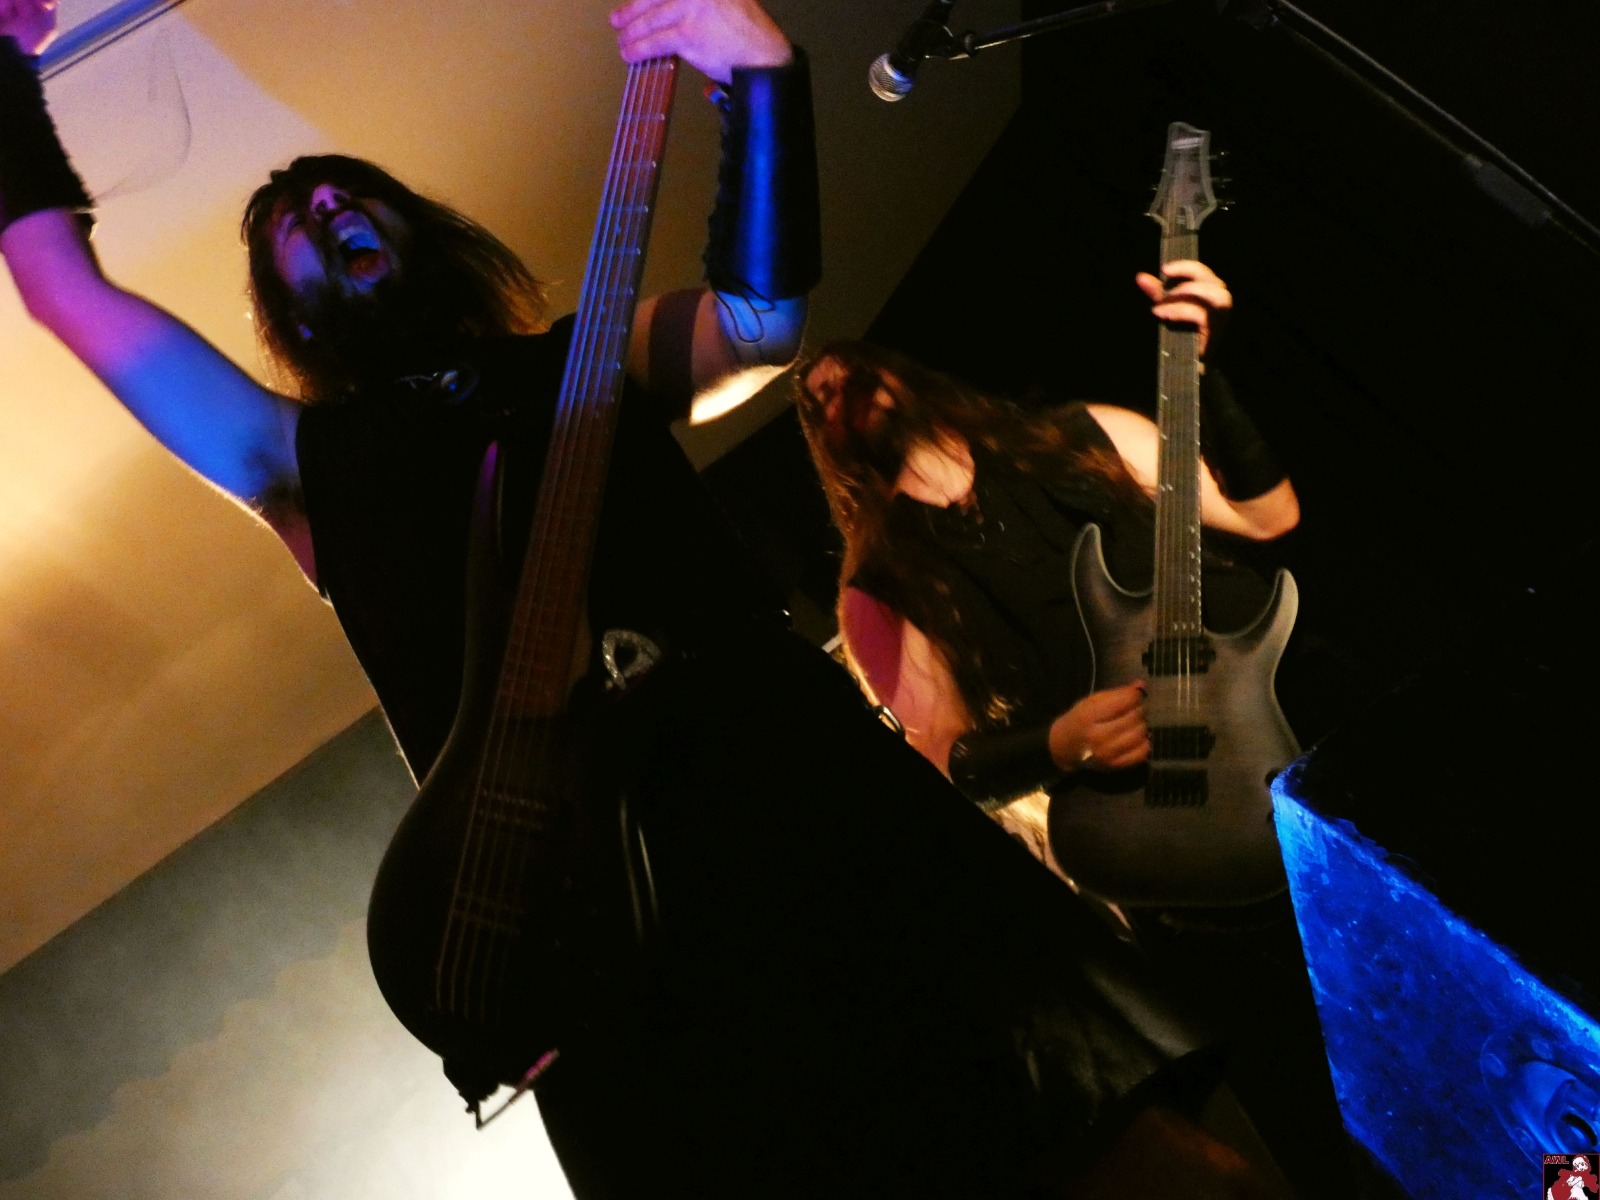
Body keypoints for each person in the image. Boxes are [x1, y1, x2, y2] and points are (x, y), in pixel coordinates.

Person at [2, 2, 1294, 1194]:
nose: (325, 208)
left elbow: (761, 320)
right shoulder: (298, 462)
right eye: (292, 226)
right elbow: (67, 294)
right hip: (601, 918)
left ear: (416, 228)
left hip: (813, 806)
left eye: (347, 193)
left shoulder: (590, 357)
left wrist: (761, 76)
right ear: (286, 309)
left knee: (1145, 1159)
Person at [794, 270, 1364, 1199]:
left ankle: (1568, 1178)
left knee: (1494, 993)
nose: (836, 388)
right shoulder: (881, 589)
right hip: (1179, 854)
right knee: (1318, 1084)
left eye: (850, 369)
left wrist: (1206, 372)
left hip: (1313, 748)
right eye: (816, 399)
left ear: (898, 370)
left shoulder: (1082, 434)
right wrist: (1055, 746)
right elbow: (942, 771)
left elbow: (1268, 516)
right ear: (826, 447)